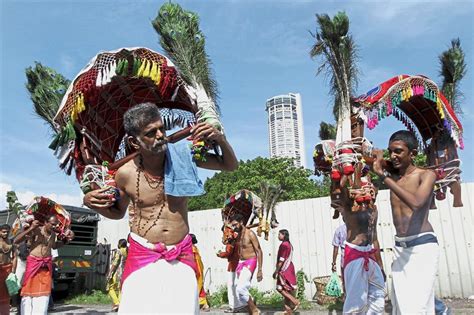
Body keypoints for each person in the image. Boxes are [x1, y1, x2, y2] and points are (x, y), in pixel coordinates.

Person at [83, 103, 238, 314]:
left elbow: (230, 165)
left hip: (181, 255)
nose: (160, 135)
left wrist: (219, 138)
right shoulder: (125, 174)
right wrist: (91, 203)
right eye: (150, 132)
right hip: (142, 256)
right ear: (134, 142)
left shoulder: (185, 156)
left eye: (161, 128)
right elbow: (117, 212)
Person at [373, 130, 439, 314]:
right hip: (400, 248)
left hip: (422, 246)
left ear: (413, 153)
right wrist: (374, 156)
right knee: (400, 306)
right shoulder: (395, 175)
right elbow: (369, 161)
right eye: (390, 151)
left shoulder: (426, 175)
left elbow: (417, 203)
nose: (393, 156)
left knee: (415, 307)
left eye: (399, 151)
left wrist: (384, 176)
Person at [331, 183, 386, 314]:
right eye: (366, 188)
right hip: (354, 254)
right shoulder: (350, 208)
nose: (369, 191)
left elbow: (375, 239)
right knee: (355, 305)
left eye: (371, 189)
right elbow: (336, 193)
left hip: (370, 254)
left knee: (378, 300)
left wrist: (381, 265)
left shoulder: (374, 210)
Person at [13, 216, 73, 315]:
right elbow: (16, 240)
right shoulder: (37, 231)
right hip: (33, 265)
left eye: (56, 224)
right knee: (28, 294)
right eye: (52, 224)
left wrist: (66, 241)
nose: (54, 226)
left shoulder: (53, 234)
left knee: (44, 295)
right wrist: (31, 228)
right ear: (45, 222)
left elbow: (54, 246)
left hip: (46, 267)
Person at [229, 213, 263, 315]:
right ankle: (251, 307)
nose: (234, 227)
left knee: (241, 288)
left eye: (235, 225)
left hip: (250, 261)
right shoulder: (238, 235)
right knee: (238, 290)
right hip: (241, 263)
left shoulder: (250, 234)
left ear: (241, 222)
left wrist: (260, 270)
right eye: (233, 225)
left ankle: (255, 310)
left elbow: (259, 251)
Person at [273, 229, 299, 314]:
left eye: (279, 234)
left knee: (279, 288)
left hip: (284, 269)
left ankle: (294, 301)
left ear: (284, 235)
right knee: (286, 290)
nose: (278, 236)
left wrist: (276, 271)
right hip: (289, 268)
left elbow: (281, 259)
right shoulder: (289, 244)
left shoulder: (284, 245)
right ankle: (288, 310)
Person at [217, 223, 241, 313]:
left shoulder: (231, 240)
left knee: (231, 286)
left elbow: (228, 253)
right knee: (238, 285)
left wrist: (220, 254)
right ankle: (242, 303)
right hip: (240, 263)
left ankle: (233, 306)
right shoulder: (239, 238)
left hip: (232, 265)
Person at [106, 239, 128, 312]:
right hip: (125, 272)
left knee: (109, 287)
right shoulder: (128, 251)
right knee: (120, 289)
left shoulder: (119, 251)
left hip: (117, 272)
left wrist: (110, 272)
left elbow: (115, 263)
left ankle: (116, 303)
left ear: (120, 244)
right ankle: (120, 304)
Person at [190, 234, 210, 312]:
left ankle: (204, 304)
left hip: (197, 270)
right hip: (198, 269)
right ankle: (203, 304)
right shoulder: (194, 248)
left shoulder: (192, 249)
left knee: (198, 286)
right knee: (199, 286)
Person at [0, 224, 17, 315]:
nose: (6, 233)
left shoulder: (11, 242)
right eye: (3, 231)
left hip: (7, 270)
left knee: (7, 294)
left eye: (7, 231)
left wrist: (13, 271)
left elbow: (15, 257)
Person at [331, 221, 347, 293]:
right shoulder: (357, 228)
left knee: (345, 280)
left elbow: (336, 248)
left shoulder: (340, 230)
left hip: (345, 256)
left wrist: (334, 263)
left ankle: (347, 297)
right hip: (356, 256)